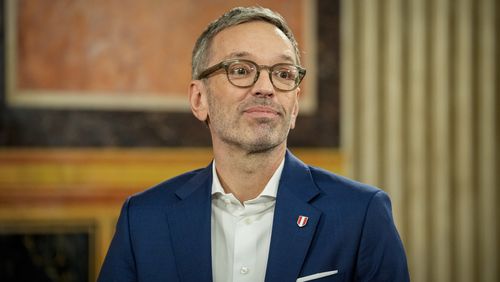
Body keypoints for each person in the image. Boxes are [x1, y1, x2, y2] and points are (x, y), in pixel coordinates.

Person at [98, 6, 409, 282]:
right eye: (241, 70)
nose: (265, 87)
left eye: (283, 73)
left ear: (295, 106)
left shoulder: (361, 214)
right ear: (199, 98)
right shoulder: (143, 218)